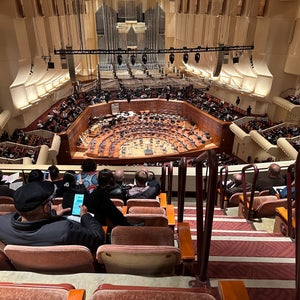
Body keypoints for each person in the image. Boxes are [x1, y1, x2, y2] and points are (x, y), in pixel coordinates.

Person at [0, 181, 105, 253]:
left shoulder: (2, 224)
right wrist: (85, 215)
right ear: (46, 208)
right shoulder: (64, 229)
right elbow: (98, 238)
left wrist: (53, 215)